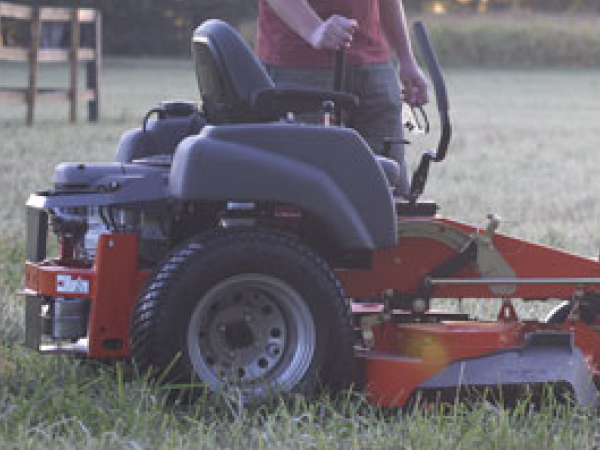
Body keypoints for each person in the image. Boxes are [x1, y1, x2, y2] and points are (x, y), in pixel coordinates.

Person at [256, 0, 429, 197]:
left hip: (374, 63)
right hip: (298, 65)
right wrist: (314, 29)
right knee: (308, 194)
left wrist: (406, 58)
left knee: (390, 189)